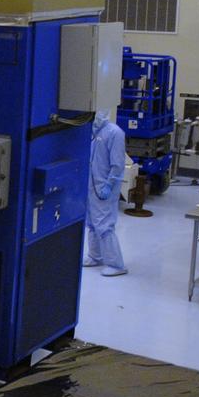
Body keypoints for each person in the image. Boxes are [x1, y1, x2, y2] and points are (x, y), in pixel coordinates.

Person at [84, 111, 128, 276]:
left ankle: (117, 265)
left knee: (104, 224)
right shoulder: (92, 132)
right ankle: (95, 256)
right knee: (92, 222)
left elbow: (117, 164)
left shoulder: (114, 132)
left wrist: (109, 185)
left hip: (104, 187)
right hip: (90, 186)